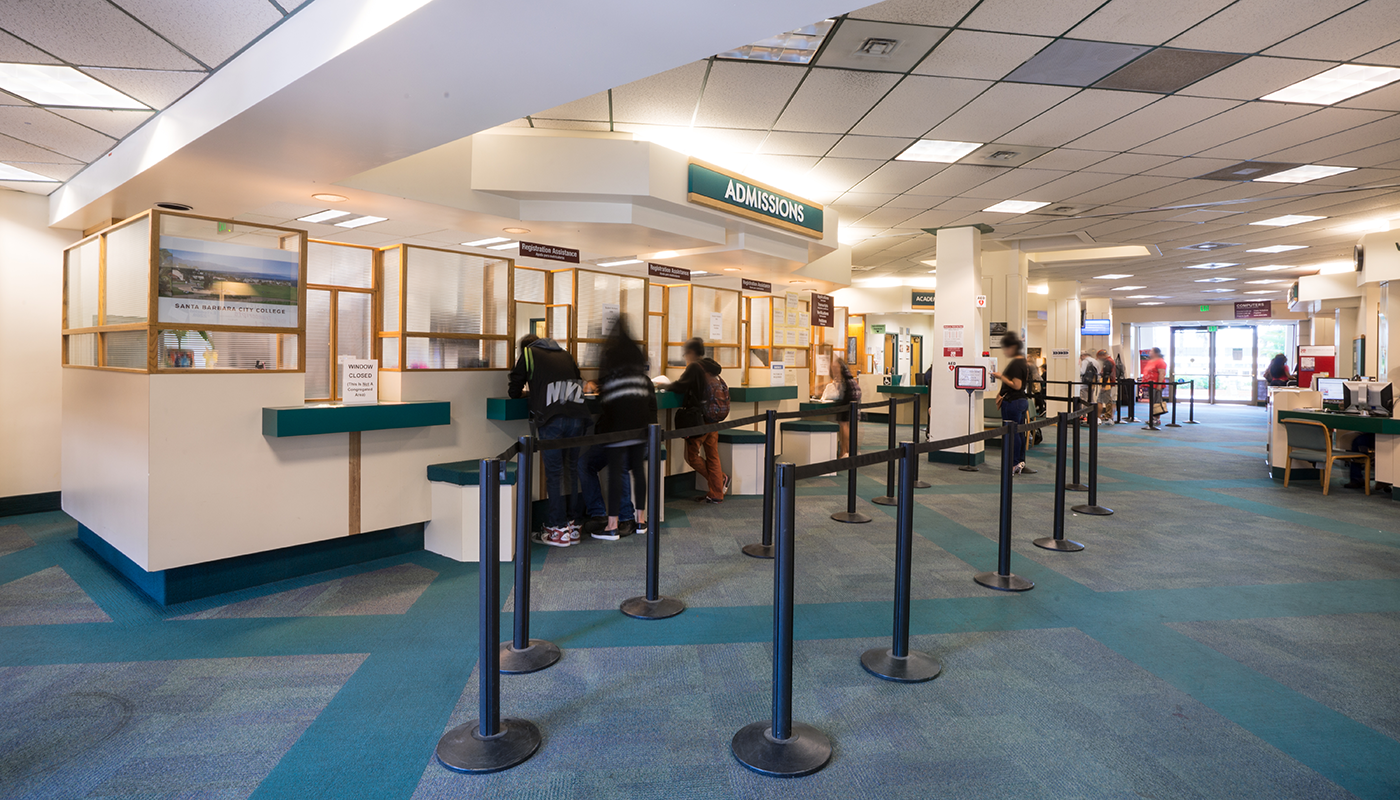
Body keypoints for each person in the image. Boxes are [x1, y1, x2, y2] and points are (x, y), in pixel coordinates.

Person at [507, 333, 590, 547]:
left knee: (554, 474)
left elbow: (514, 389)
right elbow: (577, 378)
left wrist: (531, 393)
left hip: (552, 418)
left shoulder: (528, 353)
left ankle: (557, 528)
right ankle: (572, 526)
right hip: (577, 415)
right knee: (571, 469)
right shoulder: (565, 354)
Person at [589, 318, 656, 540]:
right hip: (641, 425)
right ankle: (641, 522)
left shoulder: (610, 353)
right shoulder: (637, 354)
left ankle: (612, 525)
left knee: (616, 473)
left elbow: (605, 392)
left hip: (618, 423)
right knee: (638, 470)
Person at [672, 338, 728, 503]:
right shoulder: (711, 368)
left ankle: (720, 480)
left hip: (699, 420)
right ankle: (717, 491)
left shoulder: (694, 367)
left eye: (686, 352)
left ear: (691, 352)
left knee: (692, 456)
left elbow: (679, 387)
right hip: (713, 418)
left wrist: (663, 384)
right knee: (712, 455)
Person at [990, 333, 1031, 475]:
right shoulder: (1023, 362)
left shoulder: (1016, 364)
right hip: (1021, 401)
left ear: (1013, 347)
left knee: (1012, 434)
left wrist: (1001, 376)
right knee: (1019, 433)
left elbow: (1016, 385)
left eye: (1006, 348)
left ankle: (1013, 464)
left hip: (1012, 401)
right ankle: (1019, 462)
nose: (1005, 351)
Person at [830, 356, 861, 457]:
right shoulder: (844, 368)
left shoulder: (837, 366)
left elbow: (838, 381)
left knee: (843, 423)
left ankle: (844, 451)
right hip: (855, 391)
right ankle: (852, 450)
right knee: (851, 423)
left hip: (849, 393)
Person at [1142, 347, 1169, 428]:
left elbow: (1161, 373)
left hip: (1156, 385)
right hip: (1149, 385)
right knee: (1152, 402)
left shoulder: (1160, 361)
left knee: (1156, 402)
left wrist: (1159, 384)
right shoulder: (1151, 361)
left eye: (1151, 351)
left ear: (1156, 353)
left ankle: (1156, 418)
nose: (1149, 353)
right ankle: (1152, 417)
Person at [1078, 352, 1099, 423]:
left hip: (1084, 384)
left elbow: (1082, 372)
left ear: (1083, 356)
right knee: (1092, 399)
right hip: (1092, 383)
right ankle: (1092, 415)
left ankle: (1084, 416)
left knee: (1084, 400)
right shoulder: (1095, 361)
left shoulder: (1085, 361)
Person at [1097, 349, 1117, 424]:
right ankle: (1108, 416)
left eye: (1099, 357)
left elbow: (1106, 374)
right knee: (1109, 400)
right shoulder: (1111, 360)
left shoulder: (1108, 362)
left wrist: (1103, 385)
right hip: (1110, 382)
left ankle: (1105, 416)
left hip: (1107, 383)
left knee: (1100, 400)